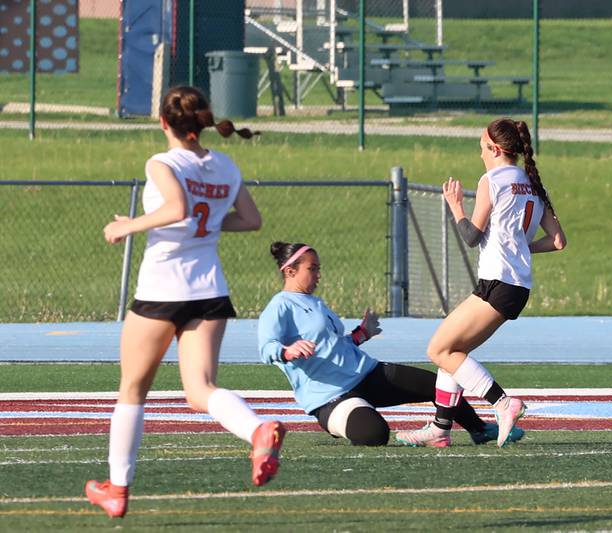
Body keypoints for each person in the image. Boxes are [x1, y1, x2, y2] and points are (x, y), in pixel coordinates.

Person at [85, 86, 286, 519]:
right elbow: (251, 220)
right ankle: (257, 430)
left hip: (161, 290)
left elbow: (176, 208)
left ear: (163, 123)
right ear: (203, 123)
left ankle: (116, 490)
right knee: (200, 390)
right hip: (208, 290)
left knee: (132, 389)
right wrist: (209, 225)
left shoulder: (162, 161)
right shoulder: (225, 165)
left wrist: (130, 226)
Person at [396, 118, 566, 448]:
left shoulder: (493, 180)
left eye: (481, 147)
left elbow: (472, 236)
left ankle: (504, 404)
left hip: (498, 282)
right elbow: (558, 241)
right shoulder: (533, 184)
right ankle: (440, 428)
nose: (480, 155)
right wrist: (522, 247)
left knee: (439, 349)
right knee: (454, 352)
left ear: (496, 149)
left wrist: (456, 207)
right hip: (516, 286)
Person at [257, 241, 524, 447]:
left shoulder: (315, 303)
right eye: (311, 269)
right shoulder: (279, 306)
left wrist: (362, 334)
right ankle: (347, 418)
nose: (318, 274)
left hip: (366, 373)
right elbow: (266, 348)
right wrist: (286, 351)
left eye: (318, 268)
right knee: (375, 434)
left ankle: (478, 429)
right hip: (331, 396)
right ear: (290, 271)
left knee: (435, 385)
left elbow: (334, 346)